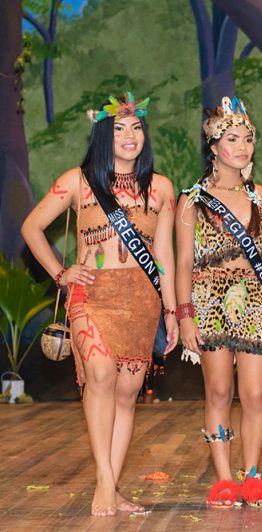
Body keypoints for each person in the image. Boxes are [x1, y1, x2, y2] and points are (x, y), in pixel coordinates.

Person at [21, 92, 178, 516]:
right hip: (90, 294)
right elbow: (32, 226)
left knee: (127, 394)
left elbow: (164, 256)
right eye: (119, 128)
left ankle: (113, 485)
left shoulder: (162, 188)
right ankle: (105, 487)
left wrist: (172, 310)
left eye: (136, 127)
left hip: (141, 300)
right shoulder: (78, 180)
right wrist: (60, 273)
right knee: (101, 374)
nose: (129, 135)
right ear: (103, 136)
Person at [174, 97, 262, 508]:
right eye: (233, 138)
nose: (242, 147)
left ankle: (252, 475)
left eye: (248, 139)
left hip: (256, 301)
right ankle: (224, 479)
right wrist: (185, 317)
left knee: (256, 393)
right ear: (213, 145)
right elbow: (184, 261)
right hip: (208, 302)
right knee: (219, 390)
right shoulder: (191, 200)